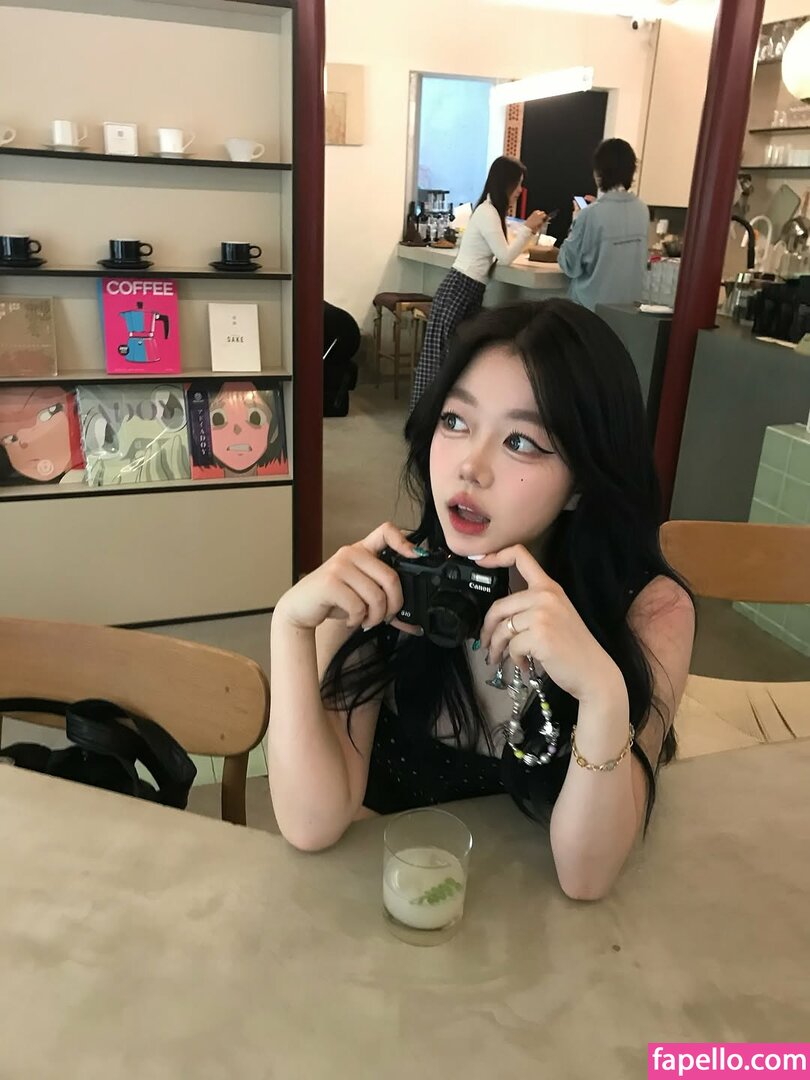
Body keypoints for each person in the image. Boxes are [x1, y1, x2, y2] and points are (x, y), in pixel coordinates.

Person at [269, 299, 695, 900]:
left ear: (582, 481)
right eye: (455, 420)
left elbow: (587, 877)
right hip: (392, 912)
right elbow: (310, 825)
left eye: (521, 440)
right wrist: (290, 628)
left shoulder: (651, 612)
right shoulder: (387, 585)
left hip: (538, 933)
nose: (470, 465)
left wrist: (602, 693)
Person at [409, 156, 547, 411]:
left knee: (451, 359)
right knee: (441, 361)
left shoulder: (491, 211)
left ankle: (439, 415)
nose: (520, 190)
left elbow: (502, 251)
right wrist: (527, 228)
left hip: (466, 289)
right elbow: (505, 256)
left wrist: (528, 231)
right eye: (518, 184)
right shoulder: (487, 212)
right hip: (460, 289)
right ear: (505, 183)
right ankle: (426, 418)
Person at [553, 138, 650, 312]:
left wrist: (576, 220)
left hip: (590, 310)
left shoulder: (589, 215)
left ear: (598, 172)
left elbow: (569, 265)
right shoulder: (642, 210)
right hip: (629, 312)